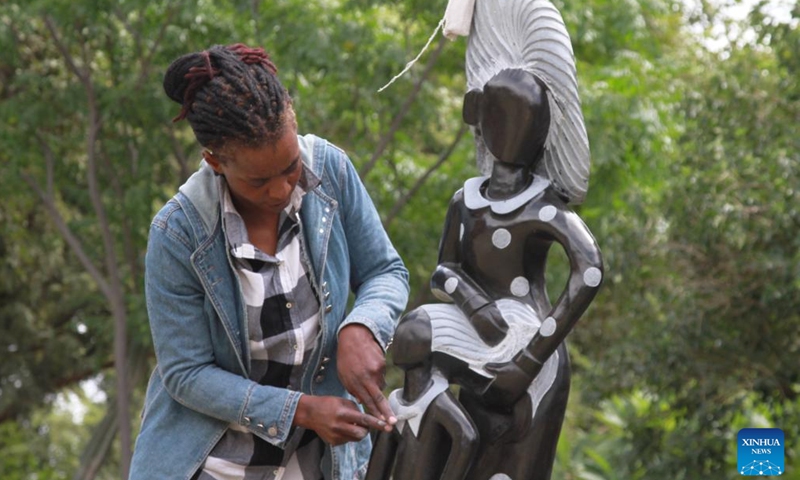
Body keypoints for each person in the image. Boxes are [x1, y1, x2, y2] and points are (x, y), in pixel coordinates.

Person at [129, 43, 409, 480]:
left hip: (317, 463)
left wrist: (363, 326)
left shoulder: (332, 171)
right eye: (258, 181)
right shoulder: (178, 234)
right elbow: (186, 374)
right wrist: (300, 410)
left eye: (290, 167)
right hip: (210, 464)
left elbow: (384, 271)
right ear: (214, 161)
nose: (281, 190)